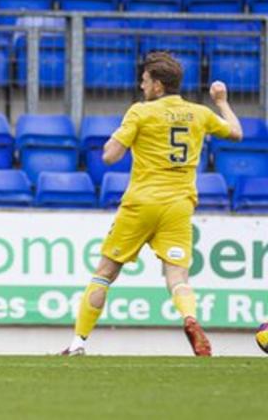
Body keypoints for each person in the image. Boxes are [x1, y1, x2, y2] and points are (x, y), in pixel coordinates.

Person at [62, 52, 243, 356]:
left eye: (145, 81)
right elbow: (236, 132)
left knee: (105, 272)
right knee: (177, 276)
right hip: (179, 205)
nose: (141, 85)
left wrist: (117, 139)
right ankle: (190, 318)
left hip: (141, 203)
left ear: (158, 85)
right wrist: (222, 101)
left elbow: (110, 156)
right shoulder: (199, 113)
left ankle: (78, 343)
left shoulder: (141, 112)